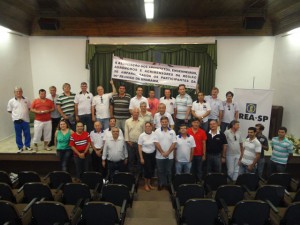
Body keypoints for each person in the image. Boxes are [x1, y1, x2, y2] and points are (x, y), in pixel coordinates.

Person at [7, 86, 33, 152]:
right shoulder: (11, 101)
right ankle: (20, 147)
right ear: (14, 92)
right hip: (16, 121)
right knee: (18, 135)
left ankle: (27, 146)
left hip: (25, 120)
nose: (18, 92)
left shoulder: (26, 99)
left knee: (27, 134)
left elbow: (30, 108)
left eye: (20, 91)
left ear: (22, 92)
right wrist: (16, 115)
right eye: (17, 91)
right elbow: (9, 110)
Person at [154, 116, 177, 190]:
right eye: (163, 122)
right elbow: (156, 142)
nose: (164, 123)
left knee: (169, 171)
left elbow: (174, 143)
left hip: (170, 156)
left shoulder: (172, 131)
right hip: (159, 155)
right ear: (160, 123)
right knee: (160, 171)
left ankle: (169, 184)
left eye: (166, 122)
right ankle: (161, 184)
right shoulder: (157, 131)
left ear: (168, 122)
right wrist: (162, 152)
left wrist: (167, 152)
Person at [125, 108, 144, 174]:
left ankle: (139, 174)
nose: (136, 113)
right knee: (131, 159)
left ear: (139, 113)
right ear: (132, 113)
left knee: (139, 159)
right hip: (130, 143)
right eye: (134, 112)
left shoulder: (142, 121)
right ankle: (131, 174)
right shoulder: (127, 121)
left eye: (137, 112)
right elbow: (126, 132)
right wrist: (128, 141)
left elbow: (144, 132)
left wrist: (142, 142)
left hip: (140, 144)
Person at [138, 122, 157, 191]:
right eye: (146, 126)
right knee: (146, 170)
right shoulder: (142, 135)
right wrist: (141, 158)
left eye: (149, 126)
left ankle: (149, 184)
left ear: (151, 127)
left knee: (151, 170)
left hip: (153, 154)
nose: (148, 127)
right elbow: (139, 147)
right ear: (145, 127)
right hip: (145, 155)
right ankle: (145, 184)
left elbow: (156, 144)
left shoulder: (154, 134)